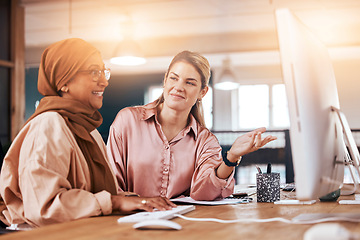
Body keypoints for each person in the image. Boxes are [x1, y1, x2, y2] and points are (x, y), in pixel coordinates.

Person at [0, 38, 175, 228]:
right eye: (94, 72)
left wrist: (139, 200)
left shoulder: (88, 130)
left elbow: (99, 192)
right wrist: (116, 202)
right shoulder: (48, 125)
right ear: (63, 82)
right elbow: (45, 207)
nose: (104, 82)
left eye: (103, 72)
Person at [107, 50, 277, 201]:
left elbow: (204, 193)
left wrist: (231, 157)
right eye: (174, 78)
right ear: (165, 81)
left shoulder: (205, 140)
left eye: (190, 82)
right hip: (129, 222)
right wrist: (141, 203)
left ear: (202, 92)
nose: (178, 87)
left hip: (182, 226)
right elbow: (111, 184)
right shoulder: (127, 121)